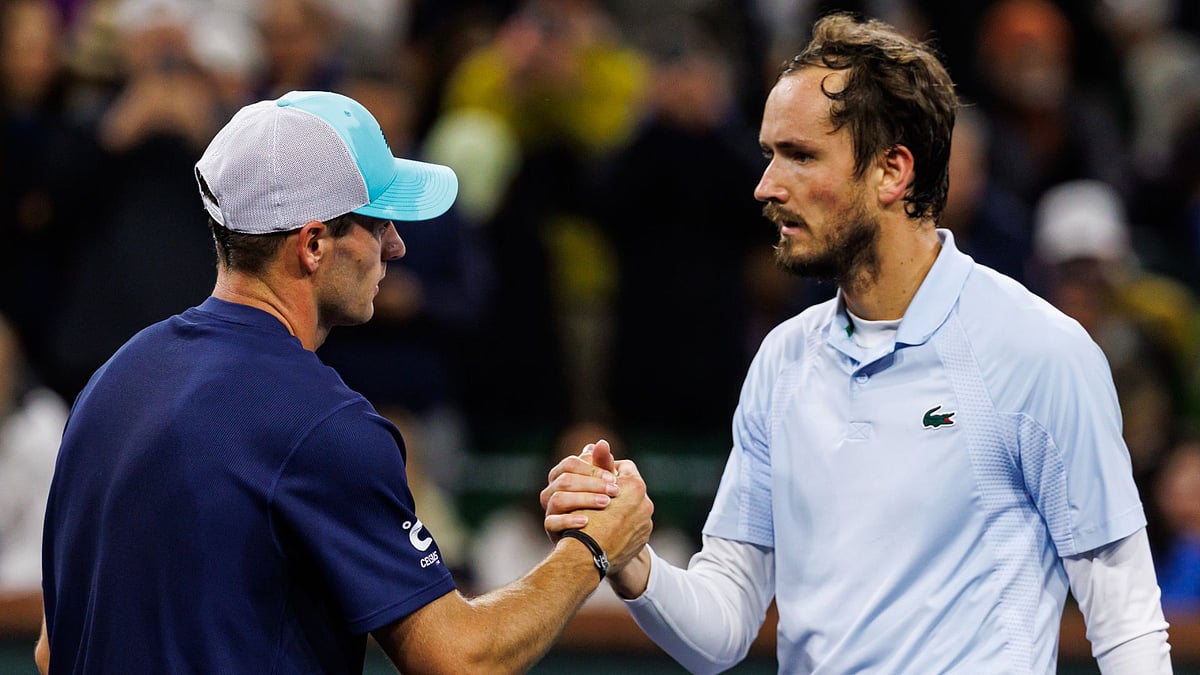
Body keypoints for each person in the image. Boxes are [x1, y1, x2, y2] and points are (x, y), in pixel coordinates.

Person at [541, 13, 1173, 674]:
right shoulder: (782, 361)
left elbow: (1126, 623)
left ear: (891, 172)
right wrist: (630, 555)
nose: (766, 186)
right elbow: (722, 628)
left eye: (799, 155)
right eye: (769, 154)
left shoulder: (1040, 350)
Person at [37, 89, 653, 674]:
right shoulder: (324, 424)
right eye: (379, 223)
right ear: (312, 245)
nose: (397, 246)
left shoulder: (112, 382)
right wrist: (593, 548)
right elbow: (461, 659)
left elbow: (50, 651)